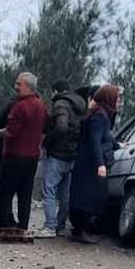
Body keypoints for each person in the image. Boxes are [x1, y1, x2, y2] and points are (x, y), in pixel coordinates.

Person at [0, 72, 48, 231]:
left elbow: (11, 131)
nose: (16, 87)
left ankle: (2, 226)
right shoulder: (41, 105)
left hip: (14, 156)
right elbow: (46, 128)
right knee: (25, 195)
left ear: (28, 87)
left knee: (5, 194)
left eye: (18, 84)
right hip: (32, 158)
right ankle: (23, 227)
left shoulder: (20, 106)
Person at [68, 85, 119, 245]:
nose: (120, 102)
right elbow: (95, 140)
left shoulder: (100, 114)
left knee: (86, 195)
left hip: (87, 160)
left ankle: (80, 229)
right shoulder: (100, 116)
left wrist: (117, 145)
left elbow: (104, 137)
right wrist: (100, 164)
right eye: (118, 98)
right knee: (87, 196)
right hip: (89, 162)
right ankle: (79, 230)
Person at [39, 79, 87, 237]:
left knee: (49, 190)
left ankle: (50, 226)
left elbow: (61, 127)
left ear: (55, 91)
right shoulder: (80, 105)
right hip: (72, 154)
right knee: (65, 193)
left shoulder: (61, 104)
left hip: (58, 154)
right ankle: (60, 225)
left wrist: (47, 141)